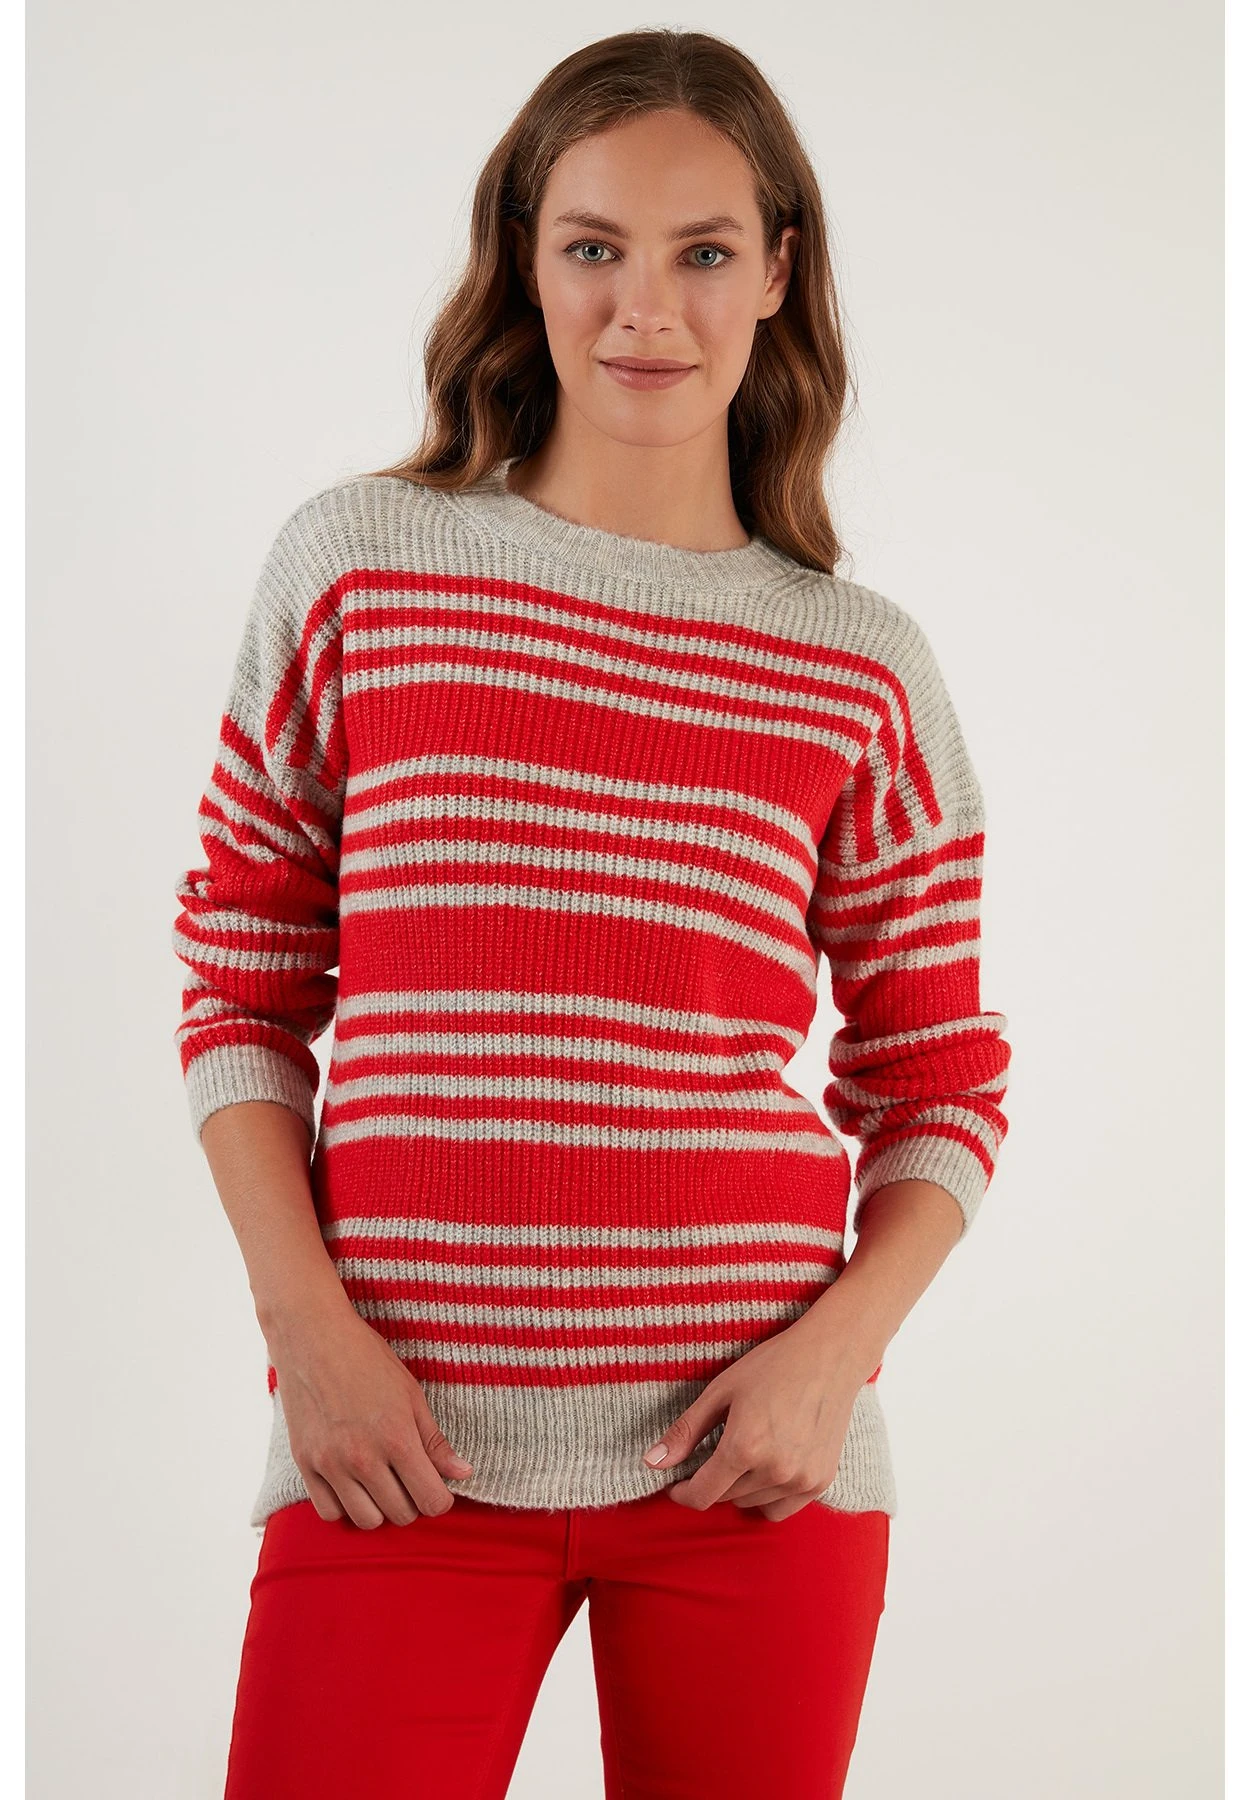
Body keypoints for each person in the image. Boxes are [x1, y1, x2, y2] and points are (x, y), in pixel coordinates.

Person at [171, 27, 1011, 1800]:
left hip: (750, 1471)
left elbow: (938, 1082)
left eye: (702, 250)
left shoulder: (858, 668)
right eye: (591, 247)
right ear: (524, 260)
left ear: (775, 272)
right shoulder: (362, 566)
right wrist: (307, 1337)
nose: (646, 308)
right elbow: (240, 986)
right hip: (388, 1453)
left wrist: (831, 1362)